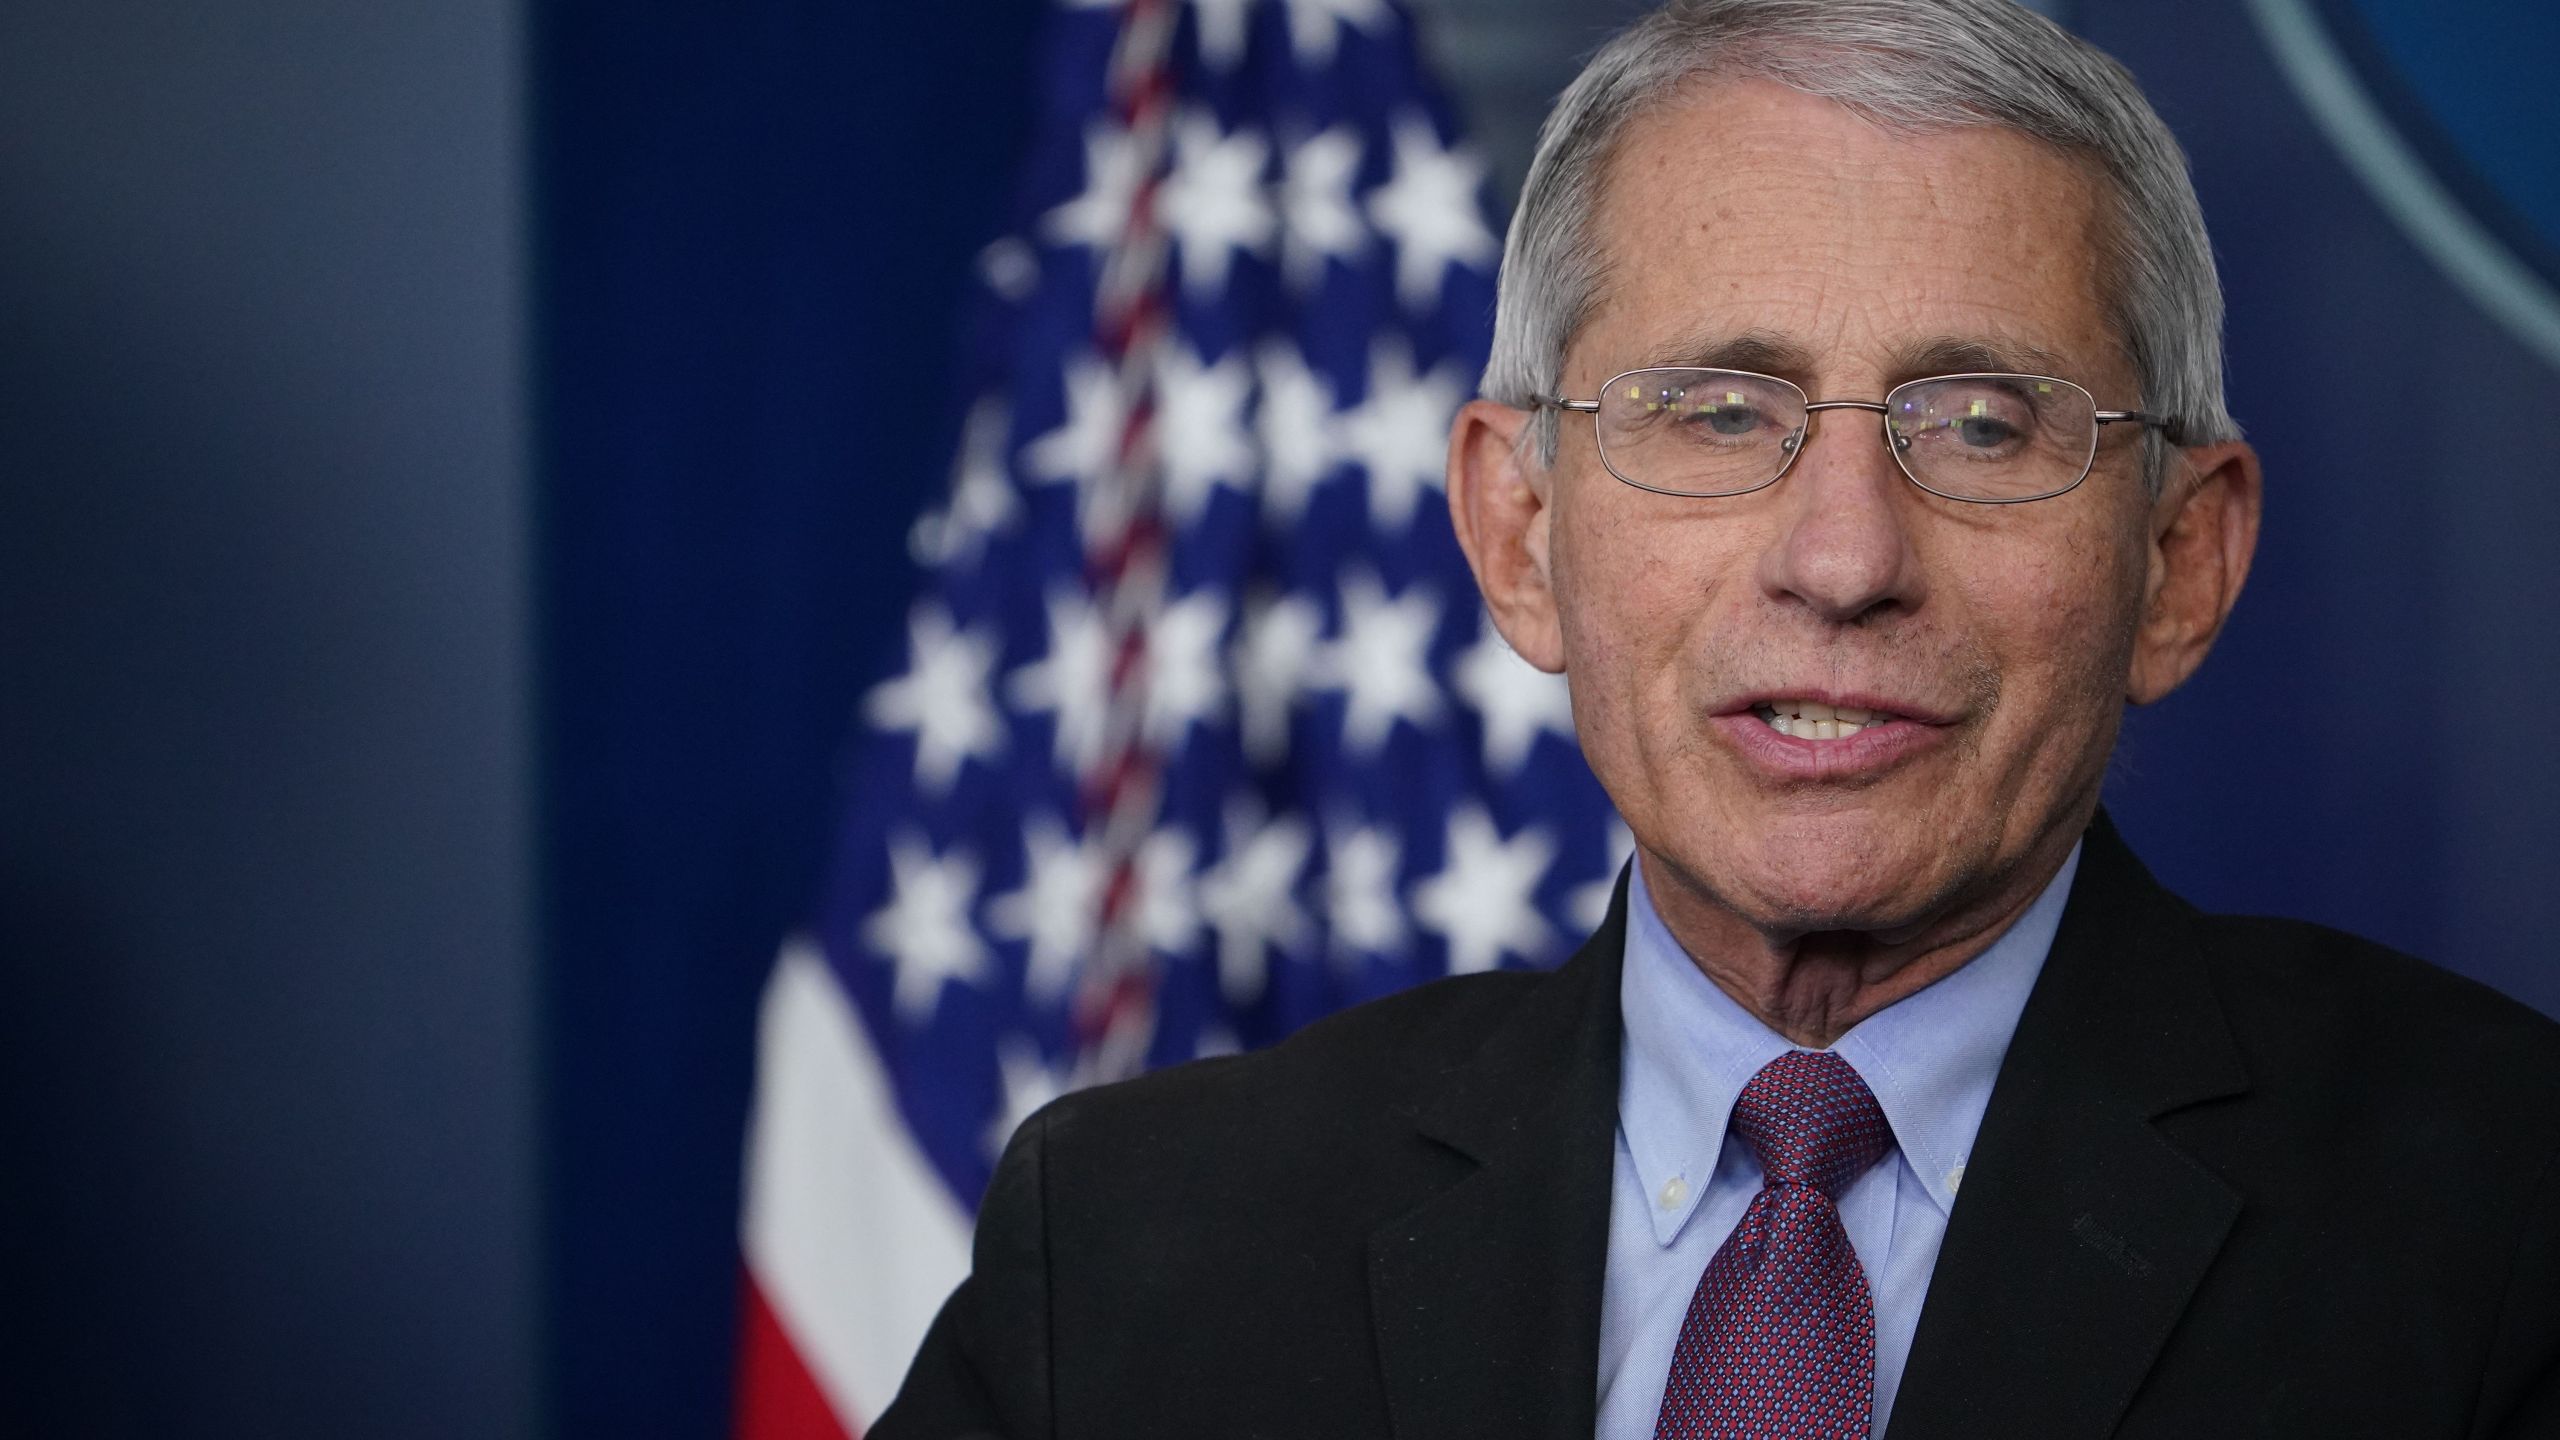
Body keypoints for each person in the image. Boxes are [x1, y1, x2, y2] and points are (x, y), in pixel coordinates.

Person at [875, 1, 2560, 1435]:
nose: (1843, 561)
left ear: (2180, 560)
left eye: (1980, 424)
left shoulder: (2503, 1230)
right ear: (1520, 536)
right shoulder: (1125, 1249)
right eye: (1714, 411)